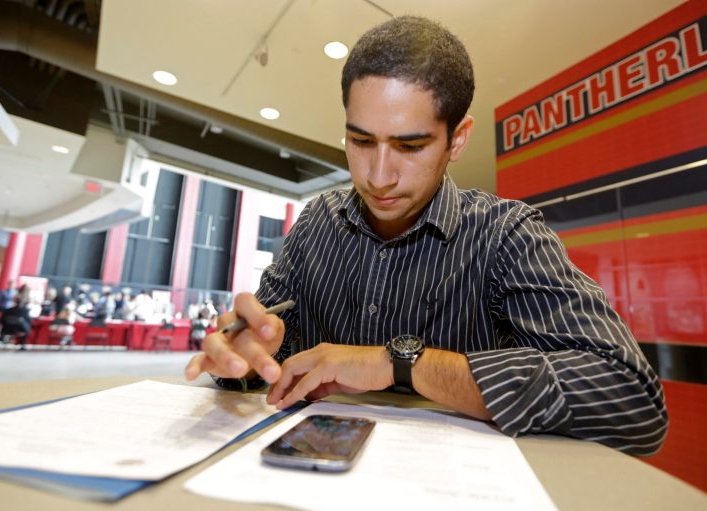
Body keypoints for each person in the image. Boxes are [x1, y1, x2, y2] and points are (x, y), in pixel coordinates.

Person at [185, 16, 667, 456]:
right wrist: (246, 359)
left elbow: (632, 400)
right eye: (360, 140)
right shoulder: (316, 224)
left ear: (457, 139)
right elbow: (264, 354)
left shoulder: (506, 235)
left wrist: (402, 363)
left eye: (410, 146)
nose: (378, 175)